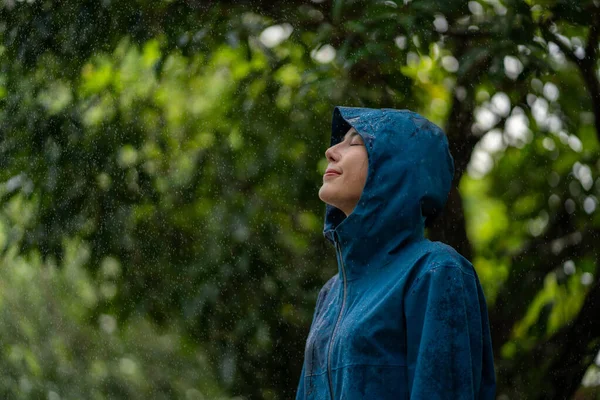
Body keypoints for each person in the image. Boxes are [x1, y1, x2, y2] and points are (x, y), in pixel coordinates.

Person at [294, 106, 497, 400]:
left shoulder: (435, 271)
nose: (331, 151)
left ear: (395, 167)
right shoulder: (330, 294)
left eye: (355, 142)